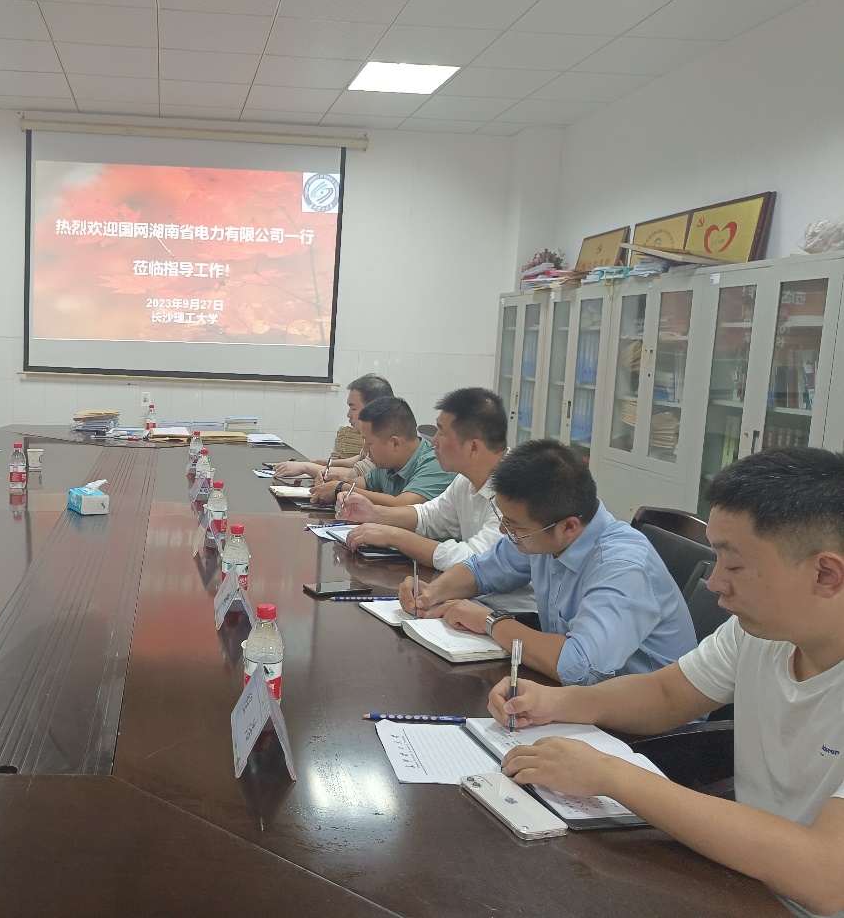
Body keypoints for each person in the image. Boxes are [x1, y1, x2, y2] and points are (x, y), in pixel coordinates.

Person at [492, 447, 844, 918]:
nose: (715, 583)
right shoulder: (758, 632)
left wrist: (611, 775)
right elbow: (666, 694)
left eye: (735, 566)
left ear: (826, 573)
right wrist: (558, 701)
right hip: (744, 879)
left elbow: (827, 877)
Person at [400, 438, 696, 684]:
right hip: (578, 696)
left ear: (569, 527)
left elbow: (578, 666)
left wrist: (488, 621)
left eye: (514, 525)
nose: (503, 530)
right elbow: (483, 569)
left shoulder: (622, 566)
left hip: (645, 722)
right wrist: (432, 592)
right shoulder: (542, 535)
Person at [337, 387, 535, 614]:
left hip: (512, 614)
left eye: (442, 432)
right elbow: (430, 516)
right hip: (468, 602)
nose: (434, 442)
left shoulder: (517, 490)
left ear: (473, 447)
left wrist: (394, 536)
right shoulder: (465, 480)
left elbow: (474, 561)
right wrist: (374, 513)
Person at [309, 396, 456, 507]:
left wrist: (342, 488)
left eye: (370, 443)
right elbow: (363, 483)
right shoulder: (387, 463)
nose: (365, 449)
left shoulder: (436, 464)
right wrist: (336, 481)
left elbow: (402, 505)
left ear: (395, 443)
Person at [273, 374, 391, 481]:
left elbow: (355, 474)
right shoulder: (373, 435)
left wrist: (305, 467)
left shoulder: (384, 439)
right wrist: (328, 463)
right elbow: (360, 459)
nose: (348, 415)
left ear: (372, 409)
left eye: (353, 408)